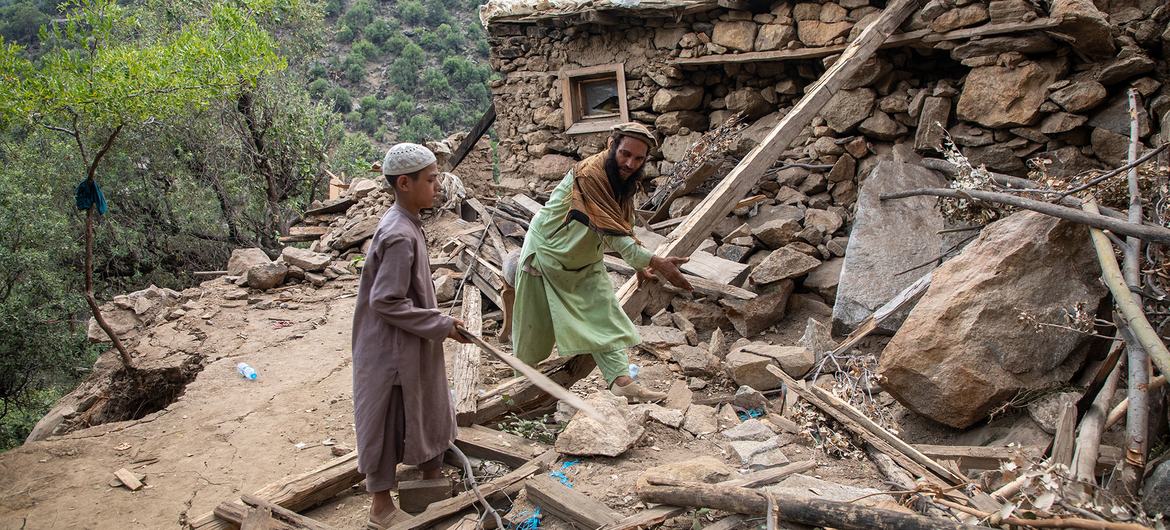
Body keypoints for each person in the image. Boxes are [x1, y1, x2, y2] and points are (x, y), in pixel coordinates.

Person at [511, 122, 692, 403]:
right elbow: (613, 232)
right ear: (611, 145)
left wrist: (640, 265)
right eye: (625, 154)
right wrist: (656, 262)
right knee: (533, 326)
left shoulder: (624, 181)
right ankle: (517, 388)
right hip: (547, 253)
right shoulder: (590, 174)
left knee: (604, 313)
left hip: (585, 257)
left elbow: (623, 224)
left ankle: (622, 381)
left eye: (638, 158)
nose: (630, 163)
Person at [351, 143, 469, 529]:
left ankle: (430, 470)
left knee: (428, 401)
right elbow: (385, 301)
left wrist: (438, 323)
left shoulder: (407, 221)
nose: (437, 186)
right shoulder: (399, 233)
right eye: (431, 180)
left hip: (410, 339)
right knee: (388, 418)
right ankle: (381, 507)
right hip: (390, 347)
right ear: (404, 183)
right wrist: (441, 325)